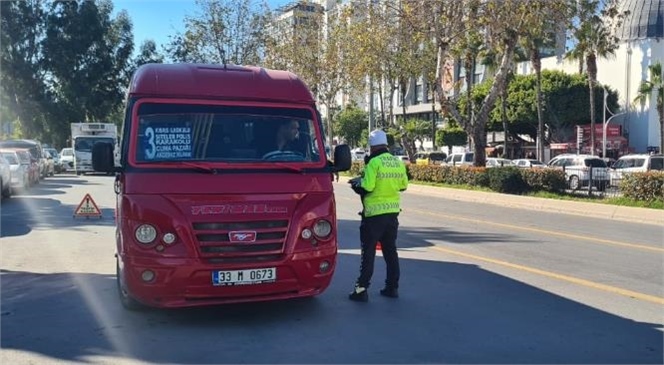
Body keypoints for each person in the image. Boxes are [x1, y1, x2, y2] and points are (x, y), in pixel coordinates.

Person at [348, 129, 408, 302]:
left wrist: (355, 184)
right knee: (390, 252)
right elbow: (403, 186)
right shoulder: (397, 162)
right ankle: (392, 287)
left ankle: (361, 290)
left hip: (374, 216)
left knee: (368, 253)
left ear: (372, 147)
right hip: (392, 215)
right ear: (385, 145)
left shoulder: (374, 162)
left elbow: (367, 187)